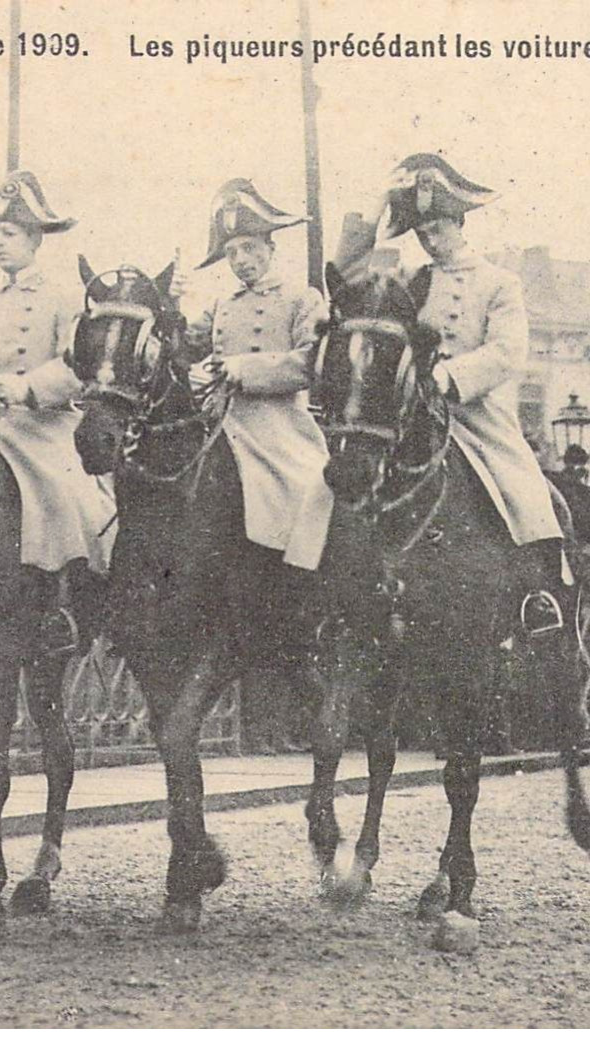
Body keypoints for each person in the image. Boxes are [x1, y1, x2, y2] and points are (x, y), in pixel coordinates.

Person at [336, 153, 570, 631]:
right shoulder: (406, 283)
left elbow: (507, 353)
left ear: (459, 223)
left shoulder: (499, 283)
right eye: (421, 231)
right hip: (407, 416)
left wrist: (448, 377)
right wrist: (375, 204)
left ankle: (539, 601)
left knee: (527, 495)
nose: (430, 238)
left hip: (476, 418)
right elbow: (345, 279)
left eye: (438, 227)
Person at [168, 178, 334, 751]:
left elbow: (310, 364)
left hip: (279, 428)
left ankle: (303, 596)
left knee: (307, 492)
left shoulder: (302, 297)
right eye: (233, 252)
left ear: (270, 247)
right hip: (222, 422)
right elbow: (186, 353)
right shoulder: (220, 305)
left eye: (250, 249)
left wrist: (242, 368)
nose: (241, 260)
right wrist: (179, 328)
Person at [0, 170, 115, 646]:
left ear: (34, 238)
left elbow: (75, 367)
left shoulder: (62, 297)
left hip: (44, 427)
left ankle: (61, 603)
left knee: (60, 492)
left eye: (10, 235)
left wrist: (23, 389)